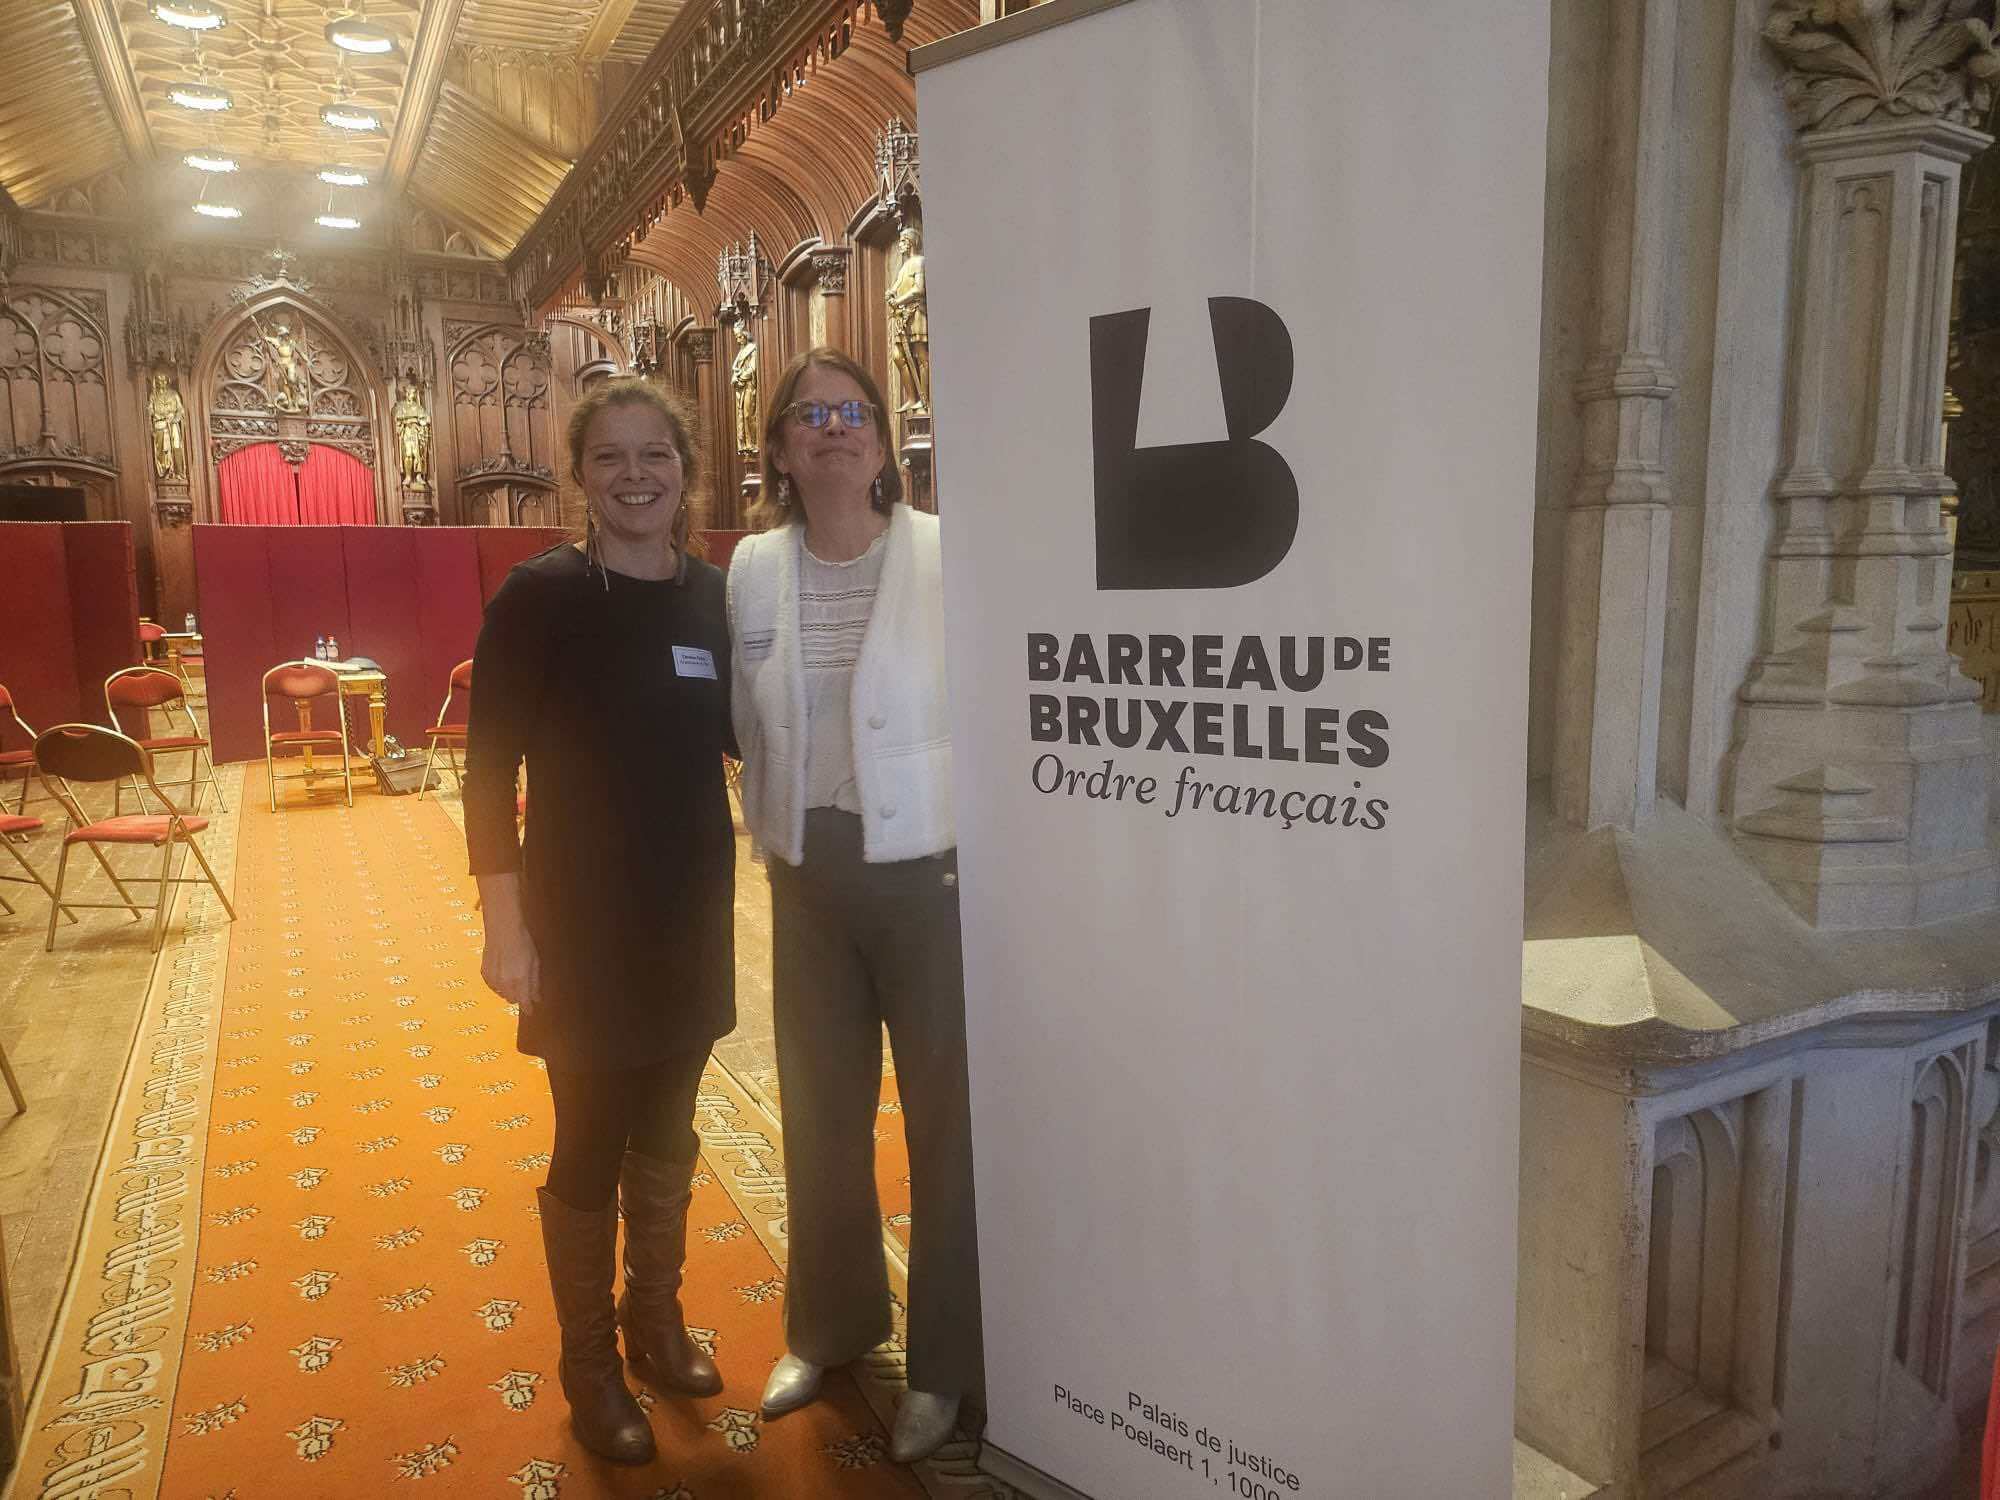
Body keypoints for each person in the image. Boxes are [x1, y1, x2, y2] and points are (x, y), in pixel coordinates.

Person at [463, 378, 734, 1466]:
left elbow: (751, 732)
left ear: (684, 469)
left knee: (668, 1122)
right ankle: (589, 1365)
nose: (635, 475)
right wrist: (504, 923)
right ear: (580, 475)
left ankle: (654, 1320)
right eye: (611, 456)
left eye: (654, 454)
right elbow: (487, 772)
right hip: (578, 915)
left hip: (690, 909)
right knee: (589, 1135)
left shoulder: (714, 596)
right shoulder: (541, 596)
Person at [728, 347, 980, 1464]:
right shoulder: (749, 568)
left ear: (881, 439)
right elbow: (747, 719)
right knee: (821, 1115)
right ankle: (826, 1330)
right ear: (780, 449)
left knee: (946, 1125)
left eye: (851, 411)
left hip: (929, 873)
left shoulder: (946, 555)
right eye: (808, 415)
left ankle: (944, 1364)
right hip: (808, 876)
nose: (832, 428)